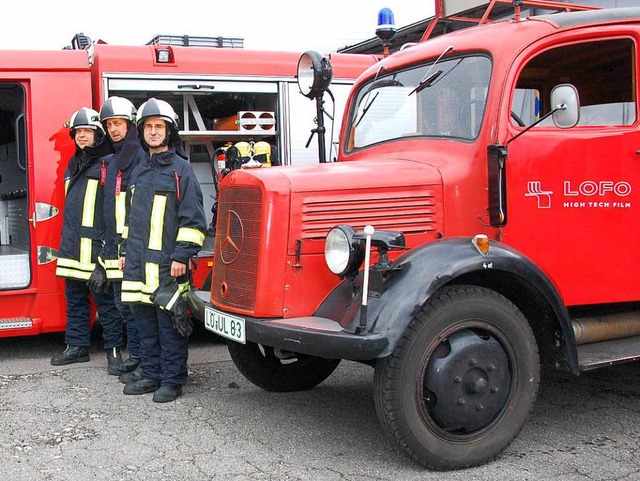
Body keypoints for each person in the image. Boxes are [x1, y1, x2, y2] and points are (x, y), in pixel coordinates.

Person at [119, 98, 206, 403]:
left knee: (170, 325)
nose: (154, 132)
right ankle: (151, 374)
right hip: (139, 264)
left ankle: (172, 379)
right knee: (145, 323)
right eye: (148, 127)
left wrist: (182, 255)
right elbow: (130, 217)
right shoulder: (138, 170)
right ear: (141, 132)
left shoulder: (181, 169)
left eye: (159, 127)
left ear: (169, 132)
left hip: (168, 264)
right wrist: (123, 251)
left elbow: (194, 219)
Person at [51, 107, 124, 375]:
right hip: (72, 248)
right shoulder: (74, 164)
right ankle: (77, 347)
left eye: (87, 131)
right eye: (78, 132)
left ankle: (114, 351)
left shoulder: (109, 163)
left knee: (107, 305)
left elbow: (111, 213)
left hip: (96, 250)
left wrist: (105, 257)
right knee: (75, 299)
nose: (82, 136)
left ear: (98, 134)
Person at [99, 96, 147, 379]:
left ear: (130, 125)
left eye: (118, 123)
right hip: (115, 245)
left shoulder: (139, 155)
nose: (113, 129)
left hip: (131, 245)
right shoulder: (114, 157)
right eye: (109, 124)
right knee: (122, 305)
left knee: (134, 306)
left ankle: (141, 357)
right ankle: (137, 355)